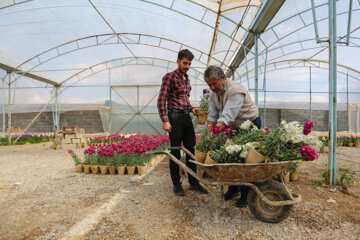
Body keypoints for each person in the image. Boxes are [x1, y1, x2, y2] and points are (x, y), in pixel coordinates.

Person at [204, 65, 261, 207]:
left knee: (246, 159)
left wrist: (214, 136)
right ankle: (233, 189)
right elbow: (212, 116)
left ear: (223, 78)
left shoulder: (235, 91)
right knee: (231, 157)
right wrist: (207, 136)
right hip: (234, 127)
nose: (212, 87)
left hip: (250, 125)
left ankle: (246, 193)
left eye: (214, 83)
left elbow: (226, 118)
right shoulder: (213, 94)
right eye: (209, 85)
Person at [157, 49, 208, 196]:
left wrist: (192, 109)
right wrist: (165, 120)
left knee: (191, 150)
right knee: (175, 150)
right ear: (178, 61)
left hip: (186, 117)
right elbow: (161, 100)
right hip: (175, 117)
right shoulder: (169, 77)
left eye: (189, 64)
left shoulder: (187, 79)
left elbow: (184, 101)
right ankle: (177, 184)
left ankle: (194, 183)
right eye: (185, 63)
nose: (187, 66)